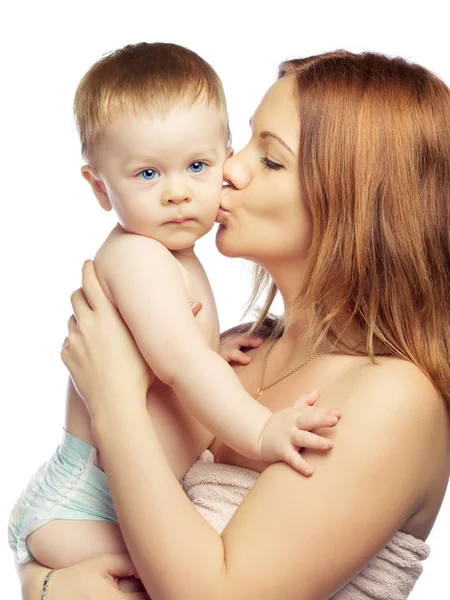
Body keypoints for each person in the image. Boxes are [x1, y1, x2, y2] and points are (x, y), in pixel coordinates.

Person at [18, 50, 450, 599]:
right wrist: (44, 584)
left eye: (269, 160)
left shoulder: (395, 398)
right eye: (242, 144)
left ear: (359, 200)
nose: (230, 169)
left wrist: (114, 403)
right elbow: (61, 543)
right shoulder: (236, 351)